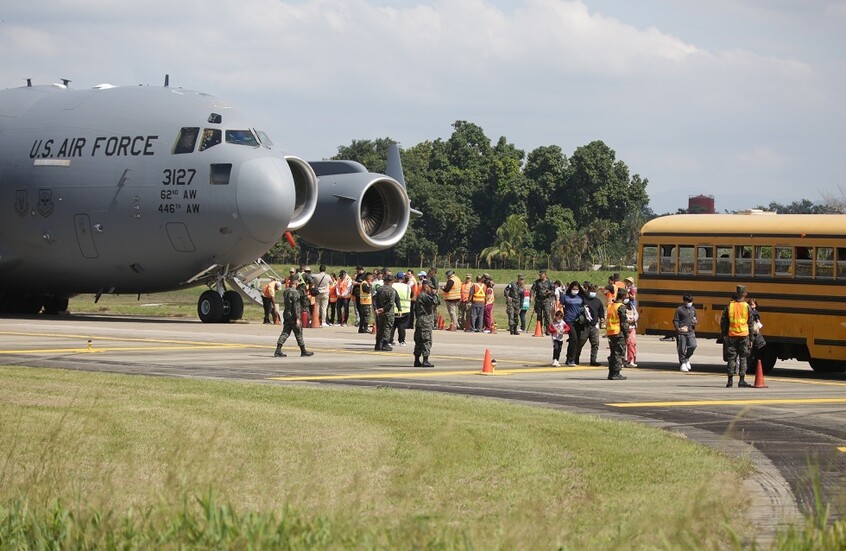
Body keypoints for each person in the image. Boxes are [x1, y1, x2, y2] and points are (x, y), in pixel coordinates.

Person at [720, 285, 755, 388]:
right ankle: (742, 380)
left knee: (732, 357)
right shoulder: (747, 307)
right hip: (744, 335)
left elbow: (723, 322)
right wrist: (751, 338)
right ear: (745, 294)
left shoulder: (730, 306)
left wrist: (725, 334)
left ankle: (730, 380)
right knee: (743, 357)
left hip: (732, 335)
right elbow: (751, 323)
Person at [274, 275, 314, 358]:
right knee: (298, 332)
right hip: (293, 315)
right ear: (295, 282)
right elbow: (296, 306)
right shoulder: (295, 293)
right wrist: (297, 318)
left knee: (285, 332)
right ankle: (303, 351)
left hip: (286, 314)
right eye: (298, 281)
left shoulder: (286, 291)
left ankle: (278, 349)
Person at [413, 280, 440, 367]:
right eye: (430, 287)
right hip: (425, 321)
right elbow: (436, 302)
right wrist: (435, 294)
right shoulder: (424, 296)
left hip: (420, 320)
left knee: (419, 341)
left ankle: (417, 360)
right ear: (426, 287)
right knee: (426, 340)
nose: (431, 289)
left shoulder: (420, 295)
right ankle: (425, 360)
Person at [606, 288, 630, 380]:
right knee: (618, 353)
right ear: (623, 296)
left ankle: (611, 372)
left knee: (613, 353)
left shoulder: (611, 305)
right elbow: (624, 322)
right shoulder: (621, 307)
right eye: (626, 295)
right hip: (618, 333)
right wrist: (626, 334)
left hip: (611, 332)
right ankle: (616, 373)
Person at [580, 283, 605, 366]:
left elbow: (601, 311)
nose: (593, 292)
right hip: (585, 325)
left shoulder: (598, 301)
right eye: (591, 291)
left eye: (594, 291)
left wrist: (602, 318)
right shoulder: (583, 300)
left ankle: (593, 360)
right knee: (581, 342)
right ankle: (575, 358)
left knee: (595, 344)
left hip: (594, 325)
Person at [562, 281, 586, 366]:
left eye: (577, 289)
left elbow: (585, 308)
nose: (575, 290)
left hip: (578, 321)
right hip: (568, 319)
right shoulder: (565, 297)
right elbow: (560, 307)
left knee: (577, 340)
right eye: (573, 289)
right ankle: (571, 360)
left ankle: (570, 357)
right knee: (573, 338)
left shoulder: (581, 297)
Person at [373, 273, 399, 351]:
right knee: (387, 328)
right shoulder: (392, 290)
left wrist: (377, 309)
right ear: (392, 281)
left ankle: (378, 344)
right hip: (388, 312)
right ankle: (385, 344)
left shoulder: (380, 289)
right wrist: (384, 309)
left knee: (380, 328)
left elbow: (375, 299)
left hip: (380, 312)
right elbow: (391, 303)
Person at [673, 294, 698, 372]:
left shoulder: (693, 309)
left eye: (691, 301)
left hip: (691, 331)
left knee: (693, 345)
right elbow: (675, 320)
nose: (690, 303)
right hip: (682, 332)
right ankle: (682, 363)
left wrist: (696, 322)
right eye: (689, 301)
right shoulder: (680, 309)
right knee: (681, 348)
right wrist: (678, 329)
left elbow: (696, 318)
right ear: (684, 301)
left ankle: (686, 357)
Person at [530, 269, 555, 335]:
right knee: (539, 315)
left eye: (542, 275)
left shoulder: (549, 282)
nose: (540, 276)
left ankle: (547, 330)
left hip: (546, 301)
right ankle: (539, 329)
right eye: (540, 275)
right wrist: (531, 296)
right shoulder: (537, 282)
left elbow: (553, 290)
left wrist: (550, 292)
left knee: (547, 315)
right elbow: (532, 289)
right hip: (538, 301)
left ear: (545, 275)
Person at [391, 272, 411, 346]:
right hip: (405, 309)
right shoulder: (407, 287)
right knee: (402, 326)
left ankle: (390, 340)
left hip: (393, 309)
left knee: (392, 326)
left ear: (396, 278)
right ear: (403, 279)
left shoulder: (392, 285)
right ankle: (402, 341)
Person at [624, 292, 639, 368]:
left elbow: (636, 314)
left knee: (632, 344)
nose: (626, 299)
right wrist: (627, 320)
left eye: (627, 297)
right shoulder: (620, 306)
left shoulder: (632, 306)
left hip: (631, 328)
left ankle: (631, 360)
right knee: (622, 345)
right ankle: (622, 360)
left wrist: (633, 319)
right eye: (625, 297)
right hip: (623, 328)